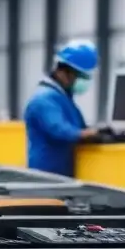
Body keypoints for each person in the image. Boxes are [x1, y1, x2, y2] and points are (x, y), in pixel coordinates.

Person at [23, 39, 100, 177]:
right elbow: (58, 129)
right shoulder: (44, 99)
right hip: (45, 176)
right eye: (81, 76)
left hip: (60, 175)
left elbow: (79, 125)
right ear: (63, 72)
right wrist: (86, 134)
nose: (83, 81)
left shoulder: (63, 98)